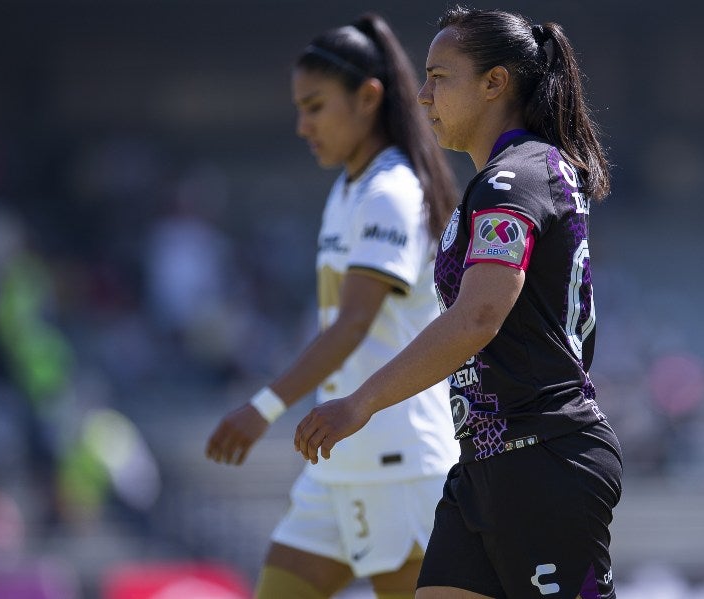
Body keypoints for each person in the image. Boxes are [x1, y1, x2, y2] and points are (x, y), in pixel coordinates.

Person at [294, 6, 622, 599]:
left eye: (439, 76)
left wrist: (360, 404)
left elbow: (477, 316)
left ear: (495, 82)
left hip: (541, 456)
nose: (422, 96)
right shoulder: (506, 177)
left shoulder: (515, 178)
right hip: (485, 463)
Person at [205, 12, 460, 599]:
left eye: (315, 106)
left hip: (397, 461)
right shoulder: (350, 188)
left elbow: (352, 326)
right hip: (337, 462)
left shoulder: (391, 192)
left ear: (368, 97)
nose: (302, 125)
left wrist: (262, 408)